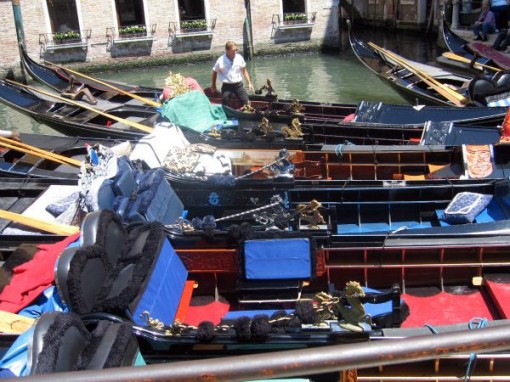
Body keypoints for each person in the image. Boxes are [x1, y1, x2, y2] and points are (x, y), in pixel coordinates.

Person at [211, 41, 254, 106]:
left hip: (238, 85)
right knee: (225, 101)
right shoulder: (220, 60)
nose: (235, 52)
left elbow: (244, 71)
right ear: (227, 50)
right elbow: (214, 72)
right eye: (233, 50)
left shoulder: (239, 58)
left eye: (236, 50)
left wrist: (249, 83)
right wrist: (213, 85)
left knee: (247, 102)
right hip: (227, 86)